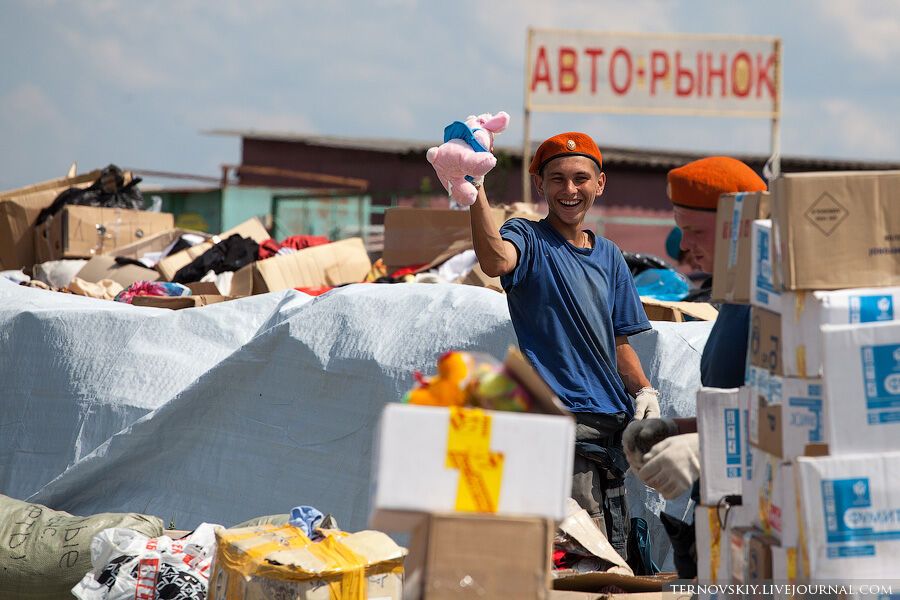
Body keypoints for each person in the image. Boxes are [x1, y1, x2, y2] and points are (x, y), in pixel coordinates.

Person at [468, 131, 658, 560]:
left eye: (580, 178)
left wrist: (645, 391)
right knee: (580, 560)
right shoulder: (528, 238)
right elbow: (497, 260)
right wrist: (476, 188)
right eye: (557, 179)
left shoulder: (609, 255)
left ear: (600, 183)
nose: (569, 190)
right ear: (540, 185)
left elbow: (618, 341)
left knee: (613, 555)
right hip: (564, 434)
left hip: (610, 436)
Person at [625, 157, 767, 577]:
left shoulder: (781, 307)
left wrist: (707, 449)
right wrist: (675, 430)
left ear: (738, 227)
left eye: (695, 231)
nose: (684, 247)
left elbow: (797, 414)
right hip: (729, 516)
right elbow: (739, 399)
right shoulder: (736, 301)